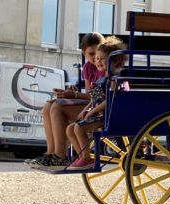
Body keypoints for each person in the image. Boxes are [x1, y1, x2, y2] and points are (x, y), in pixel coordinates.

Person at [28, 32, 105, 169]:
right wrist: (70, 94)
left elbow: (96, 97)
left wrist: (74, 95)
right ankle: (50, 153)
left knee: (57, 107)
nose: (95, 58)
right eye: (91, 54)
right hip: (92, 104)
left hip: (99, 107)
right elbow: (90, 94)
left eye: (97, 53)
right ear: (84, 53)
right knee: (48, 105)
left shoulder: (103, 66)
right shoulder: (88, 67)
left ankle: (60, 155)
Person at [64, 38, 127, 170]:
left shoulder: (116, 79)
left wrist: (92, 111)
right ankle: (82, 156)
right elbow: (95, 98)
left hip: (109, 116)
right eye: (97, 58)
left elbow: (110, 100)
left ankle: (87, 159)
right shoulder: (102, 78)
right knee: (70, 128)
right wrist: (85, 110)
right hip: (100, 115)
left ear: (115, 60)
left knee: (79, 128)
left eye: (102, 58)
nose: (97, 61)